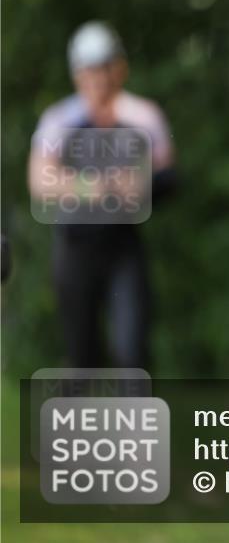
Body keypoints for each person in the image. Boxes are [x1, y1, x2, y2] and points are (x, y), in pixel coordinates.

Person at [28, 21, 176, 369]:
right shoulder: (60, 121)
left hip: (123, 247)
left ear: (120, 68)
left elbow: (170, 175)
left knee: (132, 351)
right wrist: (91, 187)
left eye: (105, 68)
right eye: (89, 70)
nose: (98, 79)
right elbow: (39, 181)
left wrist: (142, 185)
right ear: (77, 74)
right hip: (75, 248)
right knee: (83, 357)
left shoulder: (143, 116)